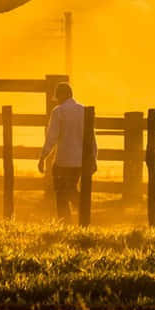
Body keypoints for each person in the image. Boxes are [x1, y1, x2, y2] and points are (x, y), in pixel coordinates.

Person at [37, 82, 97, 220]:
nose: (57, 100)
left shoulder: (58, 111)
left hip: (63, 160)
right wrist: (93, 157)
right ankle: (82, 212)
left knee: (61, 193)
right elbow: (91, 137)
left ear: (62, 96)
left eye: (58, 97)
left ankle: (69, 218)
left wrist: (43, 157)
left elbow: (51, 137)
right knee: (70, 188)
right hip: (79, 161)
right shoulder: (84, 110)